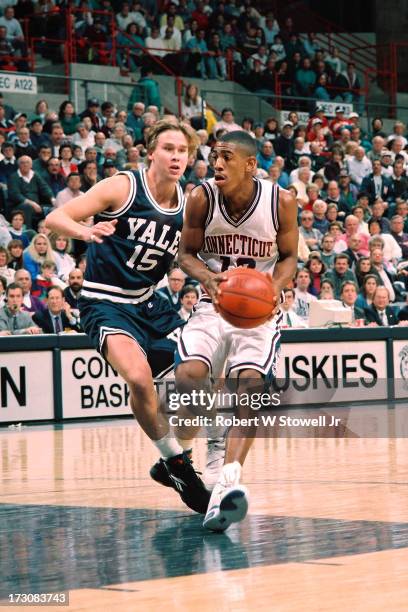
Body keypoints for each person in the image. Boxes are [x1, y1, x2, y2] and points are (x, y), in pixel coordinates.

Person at [45, 120, 211, 516]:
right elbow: (55, 221)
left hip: (150, 303)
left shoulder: (188, 208)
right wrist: (86, 234)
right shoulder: (123, 186)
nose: (176, 156)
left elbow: (190, 258)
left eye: (183, 151)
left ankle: (174, 459)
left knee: (200, 377)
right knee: (138, 377)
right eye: (168, 148)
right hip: (105, 301)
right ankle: (180, 469)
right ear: (151, 151)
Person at [163, 130, 298, 531]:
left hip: (258, 312)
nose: (216, 163)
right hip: (212, 303)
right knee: (189, 377)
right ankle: (180, 458)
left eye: (225, 157)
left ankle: (227, 479)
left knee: (250, 386)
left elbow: (289, 257)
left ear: (250, 165)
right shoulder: (201, 197)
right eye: (213, 156)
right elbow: (184, 253)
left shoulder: (281, 201)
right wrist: (207, 277)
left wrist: (273, 287)